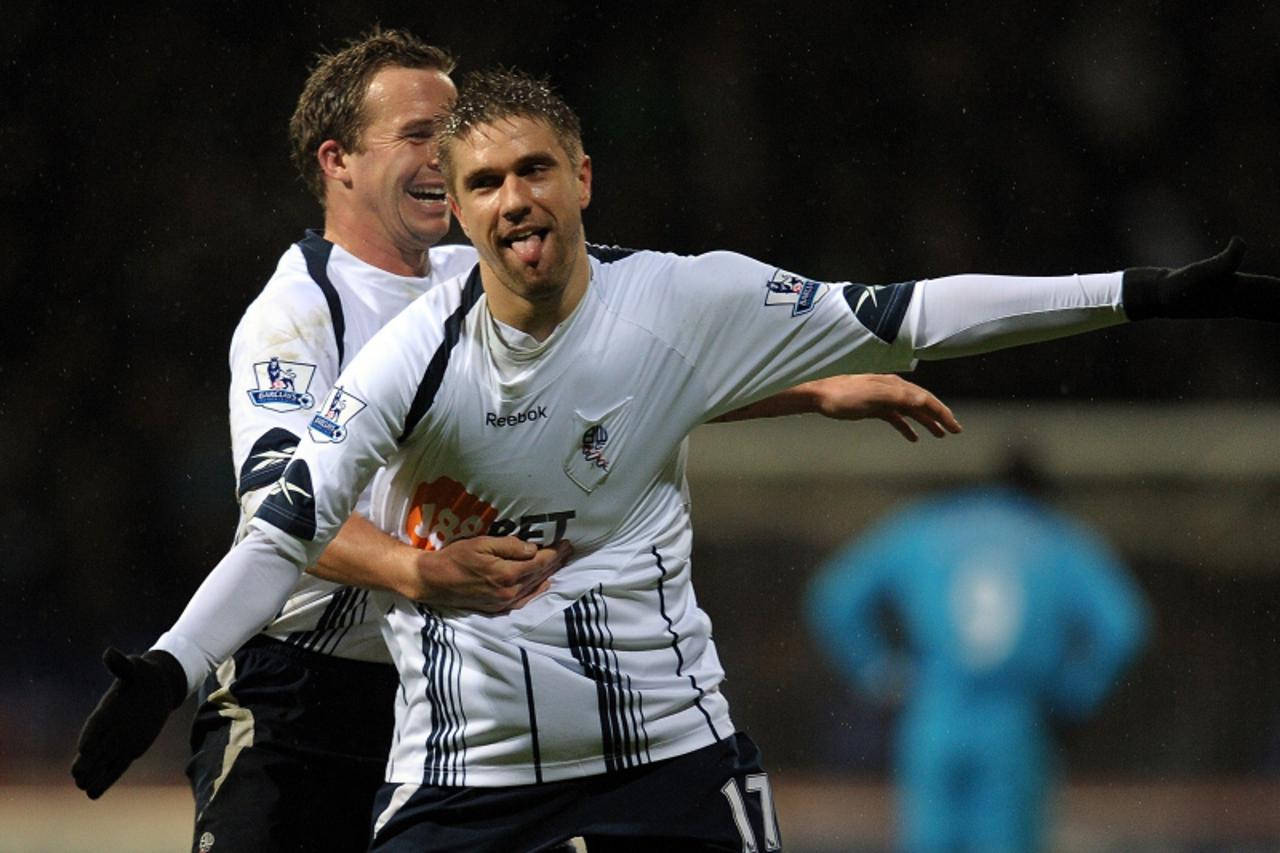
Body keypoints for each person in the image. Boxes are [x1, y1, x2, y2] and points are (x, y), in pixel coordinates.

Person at [71, 67, 1278, 852]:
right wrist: (172, 668)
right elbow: (280, 524)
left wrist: (1144, 292)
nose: (500, 195)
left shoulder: (683, 301)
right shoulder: (377, 353)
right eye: (476, 178)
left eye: (525, 168)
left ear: (581, 179)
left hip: (663, 762)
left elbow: (915, 307)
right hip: (451, 772)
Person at [806, 451, 1149, 852]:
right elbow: (1124, 624)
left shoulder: (927, 526)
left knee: (929, 841)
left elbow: (834, 597)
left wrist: (878, 673)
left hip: (934, 713)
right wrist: (1073, 695)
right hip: (1014, 720)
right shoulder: (1053, 536)